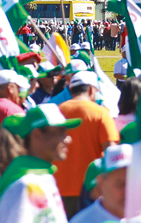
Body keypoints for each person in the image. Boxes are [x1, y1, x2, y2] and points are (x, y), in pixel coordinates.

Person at [52, 71, 121, 213]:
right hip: (91, 189)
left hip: (58, 188)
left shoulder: (58, 111)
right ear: (91, 90)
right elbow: (111, 152)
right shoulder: (101, 113)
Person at [0, 70, 28, 164]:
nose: (19, 92)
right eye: (17, 88)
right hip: (6, 168)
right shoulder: (15, 111)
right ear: (10, 88)